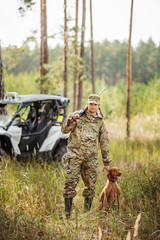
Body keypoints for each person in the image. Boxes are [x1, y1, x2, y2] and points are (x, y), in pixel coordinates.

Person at [61, 94, 111, 218]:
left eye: (95, 104)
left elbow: (104, 142)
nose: (92, 106)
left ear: (99, 106)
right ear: (87, 104)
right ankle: (67, 214)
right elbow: (64, 130)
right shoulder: (77, 116)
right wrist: (71, 122)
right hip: (74, 156)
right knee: (69, 183)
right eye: (90, 104)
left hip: (91, 158)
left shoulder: (100, 122)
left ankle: (87, 214)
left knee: (90, 185)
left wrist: (106, 162)